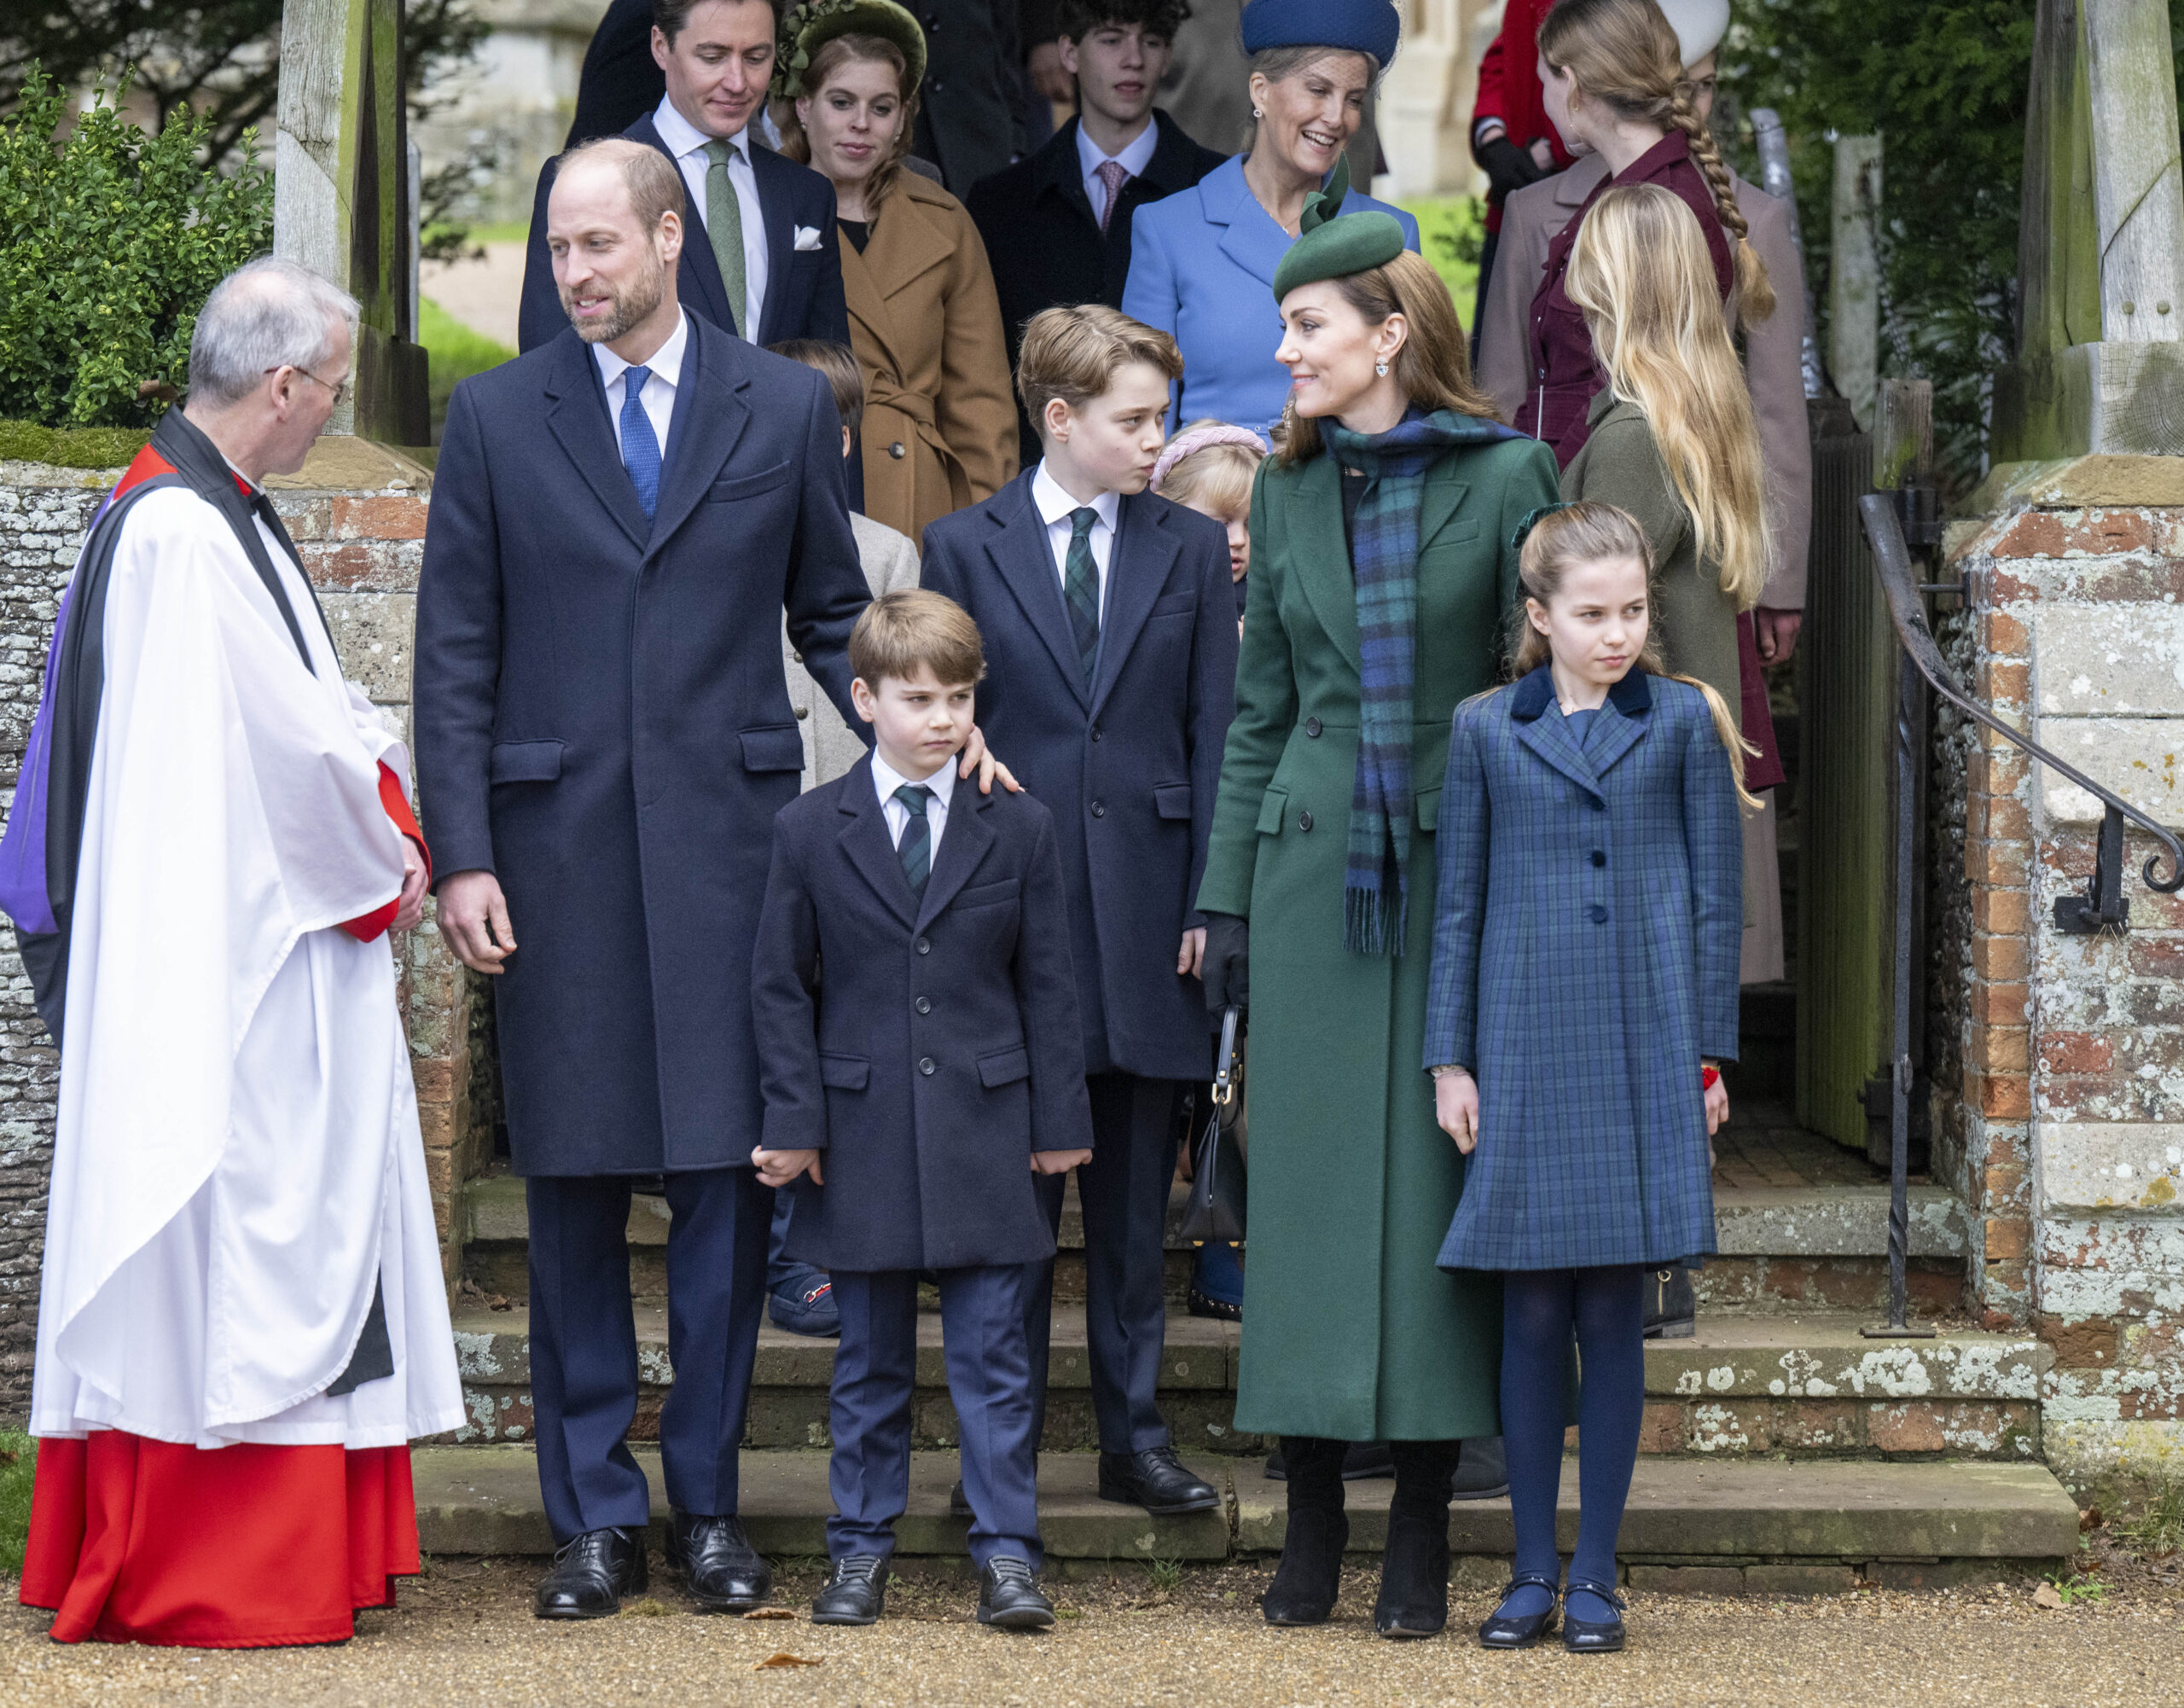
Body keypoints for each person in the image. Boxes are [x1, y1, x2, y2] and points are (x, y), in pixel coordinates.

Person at [417, 137, 1009, 1621]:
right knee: (565, 1194)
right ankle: (590, 1520)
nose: (573, 273)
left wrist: (925, 733)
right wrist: (464, 855)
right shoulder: (494, 415)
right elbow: (456, 657)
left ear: (671, 239)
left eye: (598, 246)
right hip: (548, 861)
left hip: (734, 850)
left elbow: (828, 607)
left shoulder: (778, 404)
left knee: (726, 1198)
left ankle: (710, 1508)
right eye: (557, 249)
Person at [3, 259, 463, 1647]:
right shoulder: (185, 537)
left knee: (263, 1243)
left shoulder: (197, 509)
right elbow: (289, 758)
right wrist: (390, 827)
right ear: (280, 385)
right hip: (222, 974)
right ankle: (215, 1567)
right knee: (239, 1244)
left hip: (227, 943)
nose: (329, 412)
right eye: (327, 388)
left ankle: (265, 1557)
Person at [1193, 183, 1559, 1637]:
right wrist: (1222, 899)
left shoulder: (1510, 473)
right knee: (1309, 1201)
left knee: (1431, 1199)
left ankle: (1419, 1517)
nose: (1284, 352)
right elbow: (1261, 710)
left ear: (1389, 332)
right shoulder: (1282, 490)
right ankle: (1311, 1517)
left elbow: (1528, 698)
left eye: (1306, 327)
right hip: (1306, 875)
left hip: (1458, 866)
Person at [921, 305, 1238, 1518]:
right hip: (1009, 914)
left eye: (1160, 415)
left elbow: (1218, 732)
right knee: (1004, 1214)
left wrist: (1217, 897)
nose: (1159, 440)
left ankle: (1133, 1434)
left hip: (1155, 909)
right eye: (1135, 420)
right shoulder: (962, 545)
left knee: (1125, 1211)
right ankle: (992, 1461)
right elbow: (934, 715)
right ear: (1060, 420)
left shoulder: (1190, 549)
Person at [1424, 500, 1745, 1653]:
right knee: (1528, 1310)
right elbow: (1458, 898)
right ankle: (1525, 1570)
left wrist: (1708, 1054)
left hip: (1642, 1034)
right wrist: (1449, 1056)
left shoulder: (1680, 724)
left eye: (1635, 611)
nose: (1618, 634)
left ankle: (1598, 1572)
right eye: (1593, 613)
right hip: (1519, 1036)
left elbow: (1717, 898)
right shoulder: (1483, 729)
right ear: (1539, 615)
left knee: (1614, 1307)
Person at [751, 590, 1092, 1630]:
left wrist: (1058, 1122)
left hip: (992, 1130)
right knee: (868, 1364)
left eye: (957, 697)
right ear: (863, 699)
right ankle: (858, 1549)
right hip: (858, 1135)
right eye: (917, 698)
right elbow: (780, 986)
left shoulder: (1019, 823)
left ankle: (1006, 1552)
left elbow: (1050, 982)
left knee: (995, 1363)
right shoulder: (810, 828)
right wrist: (795, 1120)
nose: (941, 718)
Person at [1473, 0, 1798, 979]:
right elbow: (1502, 393)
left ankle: (1681, 1049)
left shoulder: (1733, 210)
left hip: (1681, 517)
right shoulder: (1538, 209)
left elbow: (1770, 406)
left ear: (1573, 81)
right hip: (1564, 519)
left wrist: (1778, 577)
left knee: (1672, 755)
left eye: (1547, 76)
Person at [764, 337, 923, 1336]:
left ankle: (857, 1236)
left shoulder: (887, 553)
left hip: (857, 817)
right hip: (773, 817)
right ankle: (789, 1252)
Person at [774, 0, 1019, 543]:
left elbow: (982, 407)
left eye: (881, 107)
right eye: (842, 102)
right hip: (799, 496)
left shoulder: (944, 220)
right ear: (805, 104)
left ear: (904, 117)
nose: (862, 124)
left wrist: (989, 544)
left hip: (923, 507)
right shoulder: (763, 207)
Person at [1122, 0, 1416, 439]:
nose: (1336, 118)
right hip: (1211, 499)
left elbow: (1411, 400)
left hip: (1350, 496)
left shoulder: (1388, 233)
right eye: (1318, 90)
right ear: (1261, 91)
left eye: (1353, 99)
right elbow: (1140, 415)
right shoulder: (1168, 230)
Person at [968, 0, 1228, 466]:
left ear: (1167, 56)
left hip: (1184, 478)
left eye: (1150, 42)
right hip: (1043, 479)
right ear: (1068, 51)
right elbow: (987, 373)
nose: (1133, 59)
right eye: (1111, 40)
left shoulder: (1220, 190)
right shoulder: (998, 204)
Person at [517, 0, 851, 357]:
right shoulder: (581, 184)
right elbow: (549, 361)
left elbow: (831, 365)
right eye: (712, 57)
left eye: (755, 58)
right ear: (661, 47)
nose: (738, 82)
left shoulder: (808, 194)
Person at [1560, 184, 1769, 747]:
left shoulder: (1635, 438)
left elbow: (1587, 622)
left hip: (1630, 763)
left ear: (1609, 294)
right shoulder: (1691, 415)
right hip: (1676, 758)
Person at [1465, 0, 1572, 346]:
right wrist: (1492, 136)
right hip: (1513, 201)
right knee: (1496, 365)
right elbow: (1505, 54)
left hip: (1580, 205)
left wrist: (1551, 151)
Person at [1150, 419, 1265, 631]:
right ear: (1165, 509)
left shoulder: (1262, 608)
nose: (1239, 539)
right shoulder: (1145, 595)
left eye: (1252, 524)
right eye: (1219, 524)